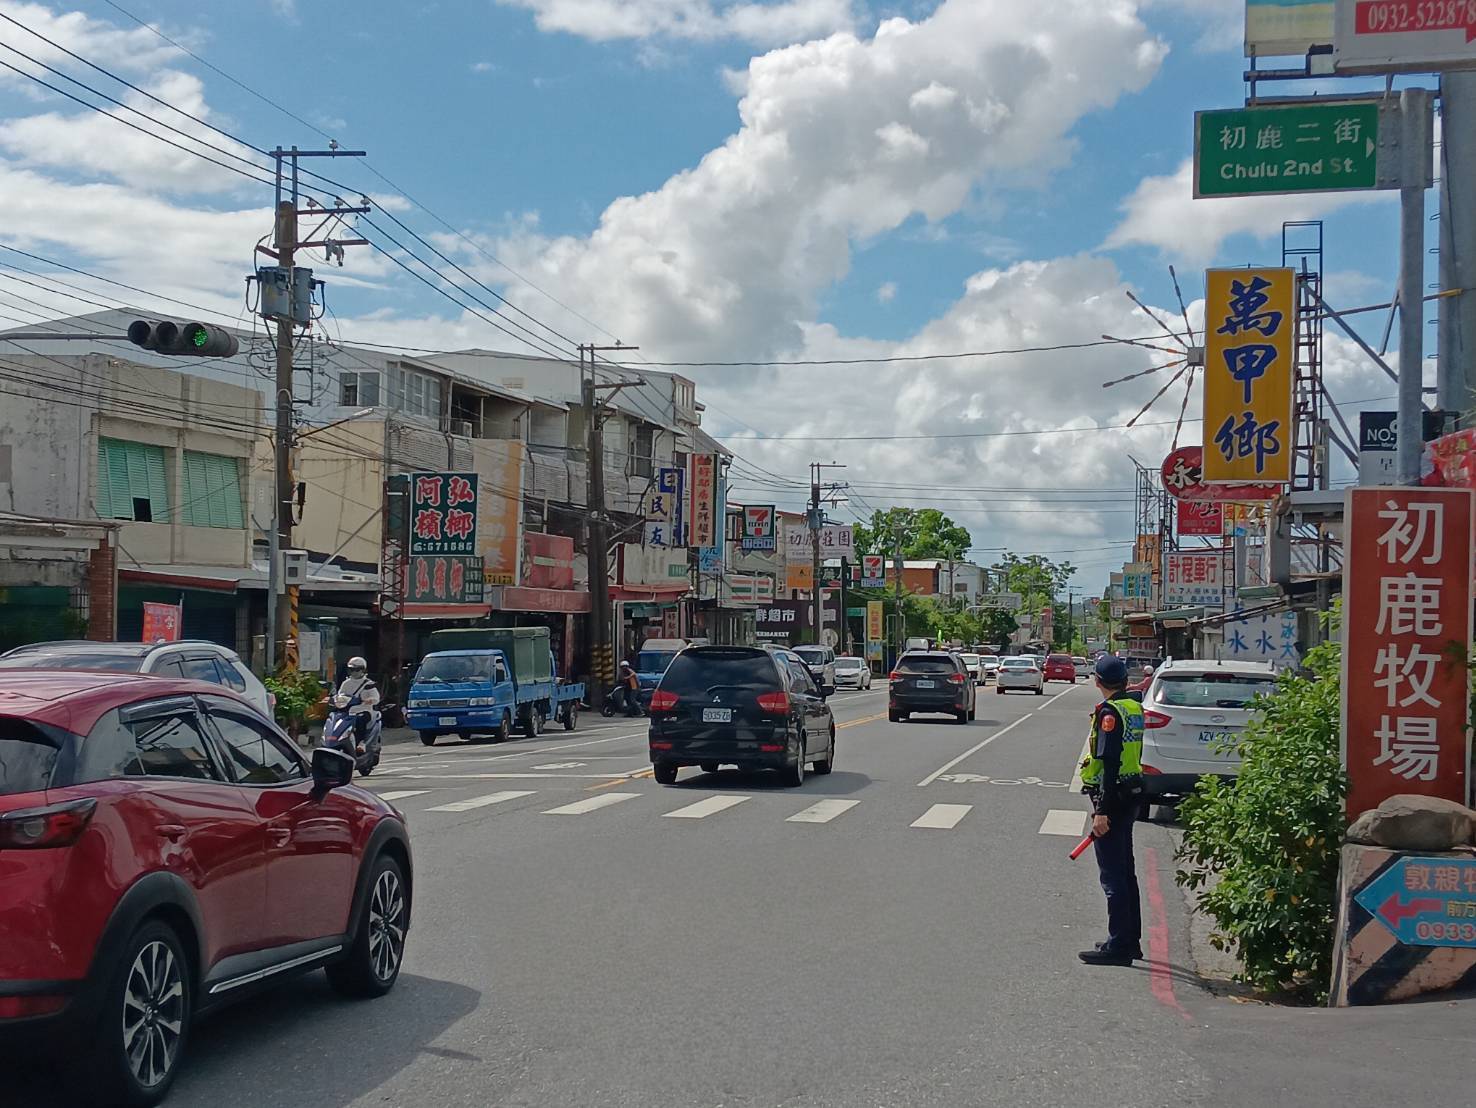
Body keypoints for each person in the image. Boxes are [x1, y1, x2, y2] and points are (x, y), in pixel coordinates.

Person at [1077, 654, 1145, 966]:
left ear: (1098, 681)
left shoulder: (1110, 711)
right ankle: (1130, 941)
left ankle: (1118, 945)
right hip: (1131, 793)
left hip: (1113, 797)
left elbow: (1109, 762)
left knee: (1113, 876)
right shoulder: (1133, 706)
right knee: (1126, 872)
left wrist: (1101, 811)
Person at [335, 656, 381, 751]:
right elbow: (340, 695)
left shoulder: (368, 684)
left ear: (363, 670)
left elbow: (376, 698)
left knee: (360, 719)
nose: (354, 672)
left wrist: (369, 700)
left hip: (364, 710)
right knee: (334, 719)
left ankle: (361, 742)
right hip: (348, 711)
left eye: (357, 670)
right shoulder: (346, 683)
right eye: (352, 669)